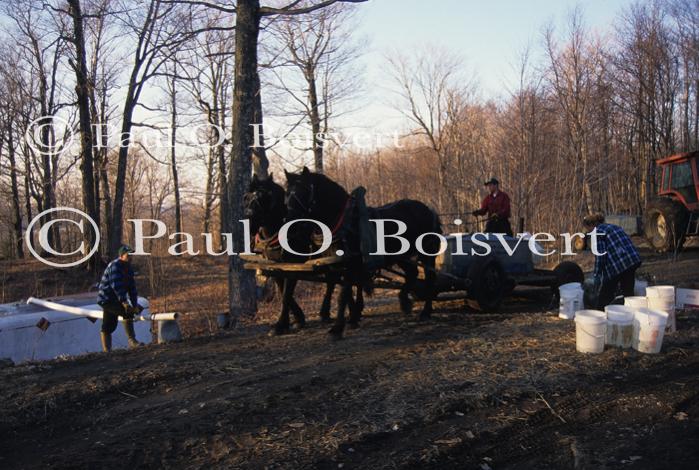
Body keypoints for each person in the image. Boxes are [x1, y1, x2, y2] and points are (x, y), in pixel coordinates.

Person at [583, 213, 642, 309]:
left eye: (587, 229)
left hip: (621, 264)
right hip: (633, 260)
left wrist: (597, 275)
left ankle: (599, 315)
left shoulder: (597, 232)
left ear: (591, 225)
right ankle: (630, 313)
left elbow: (601, 257)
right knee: (628, 292)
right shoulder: (613, 227)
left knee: (605, 294)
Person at [97, 244, 142, 351]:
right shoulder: (115, 266)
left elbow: (132, 288)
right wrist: (125, 303)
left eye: (131, 255)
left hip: (115, 299)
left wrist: (135, 304)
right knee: (127, 312)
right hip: (107, 299)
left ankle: (107, 350)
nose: (130, 257)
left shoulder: (128, 268)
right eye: (128, 255)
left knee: (108, 324)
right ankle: (132, 341)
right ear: (121, 256)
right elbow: (117, 286)